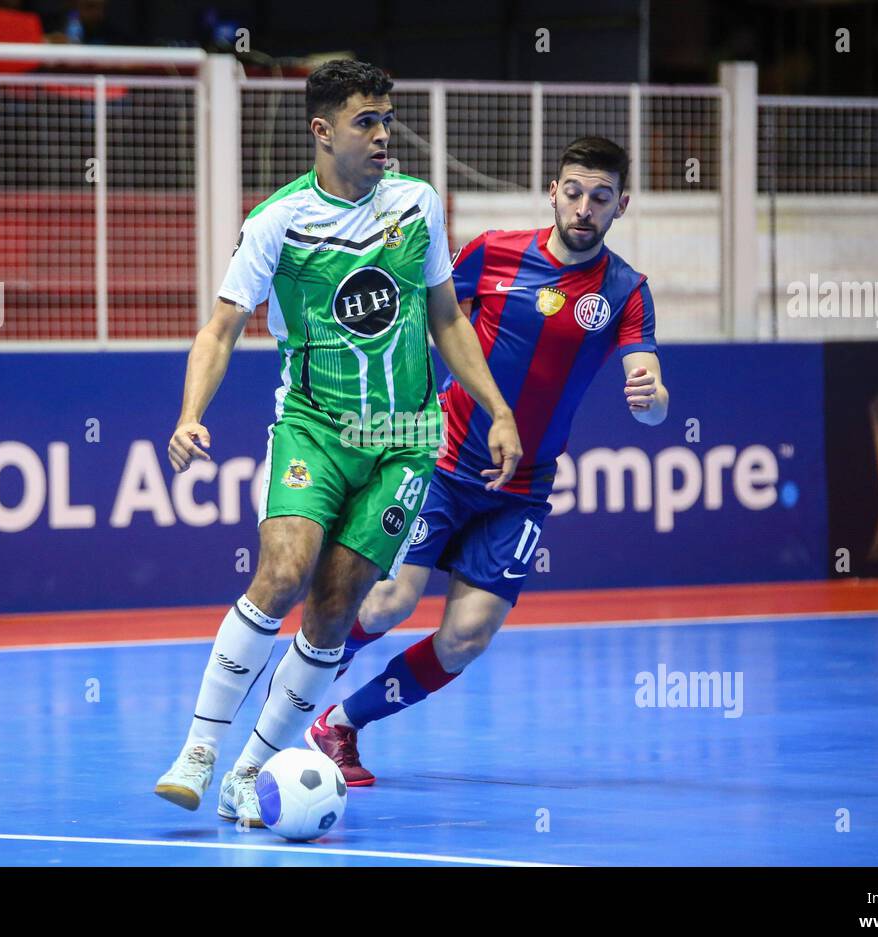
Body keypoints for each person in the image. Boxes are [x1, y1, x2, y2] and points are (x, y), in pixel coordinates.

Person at [154, 59, 522, 826]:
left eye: (387, 118)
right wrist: (191, 414)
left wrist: (496, 410)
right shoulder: (277, 221)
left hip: (405, 440)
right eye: (367, 120)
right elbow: (220, 328)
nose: (384, 133)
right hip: (316, 429)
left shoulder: (417, 205)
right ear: (322, 131)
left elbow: (447, 319)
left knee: (334, 608)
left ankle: (250, 771)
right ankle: (197, 750)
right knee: (283, 571)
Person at [305, 136, 668, 785]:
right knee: (388, 601)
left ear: (622, 206)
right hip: (443, 462)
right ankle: (314, 665)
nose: (585, 207)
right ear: (554, 192)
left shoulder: (626, 291)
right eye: (575, 191)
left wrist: (654, 399)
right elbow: (431, 317)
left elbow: (649, 388)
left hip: (523, 492)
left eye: (601, 197)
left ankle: (338, 724)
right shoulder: (493, 252)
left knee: (465, 639)